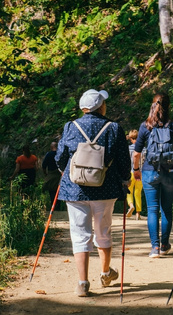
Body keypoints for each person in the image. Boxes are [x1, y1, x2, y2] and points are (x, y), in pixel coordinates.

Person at [55, 89, 131, 297]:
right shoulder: (114, 128)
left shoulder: (70, 126)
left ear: (83, 108)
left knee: (79, 235)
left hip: (75, 189)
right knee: (103, 231)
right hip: (105, 188)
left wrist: (65, 170)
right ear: (101, 107)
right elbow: (124, 161)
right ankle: (105, 273)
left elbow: (60, 157)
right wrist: (125, 180)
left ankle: (82, 283)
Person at [132, 93, 173, 258]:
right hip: (170, 172)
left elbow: (136, 154)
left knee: (152, 210)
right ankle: (164, 245)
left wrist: (136, 170)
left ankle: (155, 248)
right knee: (167, 210)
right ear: (169, 107)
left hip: (150, 171)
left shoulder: (145, 126)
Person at [127, 129, 143, 220]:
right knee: (138, 193)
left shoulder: (129, 149)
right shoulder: (144, 149)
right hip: (141, 173)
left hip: (131, 172)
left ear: (131, 138)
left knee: (129, 192)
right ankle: (138, 214)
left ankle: (131, 205)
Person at [42, 141, 63, 210]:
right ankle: (58, 207)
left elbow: (44, 165)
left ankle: (53, 207)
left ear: (51, 147)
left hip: (51, 175)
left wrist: (45, 174)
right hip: (59, 175)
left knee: (51, 192)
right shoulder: (60, 154)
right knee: (58, 191)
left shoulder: (49, 154)